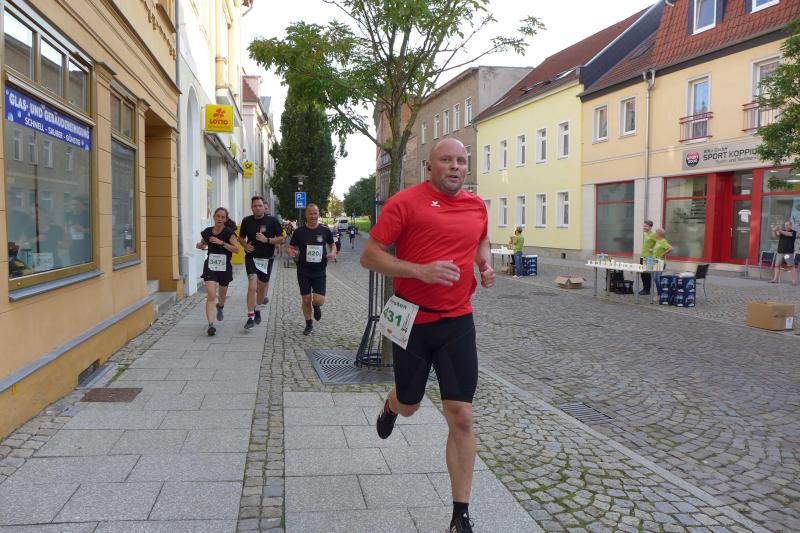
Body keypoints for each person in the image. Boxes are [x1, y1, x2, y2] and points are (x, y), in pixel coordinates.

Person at [361, 138, 494, 533]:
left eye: (462, 161)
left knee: (462, 416)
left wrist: (484, 265)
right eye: (447, 160)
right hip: (412, 320)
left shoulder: (477, 206)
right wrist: (419, 271)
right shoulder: (405, 202)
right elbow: (370, 255)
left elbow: (481, 240)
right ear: (429, 166)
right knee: (411, 404)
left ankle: (460, 515)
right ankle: (392, 405)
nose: (455, 167)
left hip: (457, 321)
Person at [288, 203, 336, 335]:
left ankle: (316, 306)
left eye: (315, 213)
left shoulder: (325, 231)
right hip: (303, 270)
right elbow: (291, 247)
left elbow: (332, 245)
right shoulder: (299, 232)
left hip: (319, 270)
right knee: (306, 299)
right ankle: (308, 324)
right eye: (310, 213)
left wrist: (333, 252)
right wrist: (291, 251)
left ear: (318, 214)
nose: (313, 216)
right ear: (306, 215)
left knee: (319, 300)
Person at [238, 196, 283, 330]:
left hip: (266, 259)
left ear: (264, 207)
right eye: (255, 206)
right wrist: (245, 245)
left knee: (262, 288)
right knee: (252, 286)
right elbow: (241, 237)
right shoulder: (246, 221)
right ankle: (250, 316)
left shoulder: (272, 221)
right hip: (251, 258)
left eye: (260, 205)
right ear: (251, 208)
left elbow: (281, 238)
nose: (257, 208)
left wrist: (267, 240)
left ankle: (257, 310)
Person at [197, 207, 239, 336]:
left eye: (222, 217)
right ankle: (211, 325)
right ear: (214, 217)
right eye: (218, 216)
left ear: (225, 219)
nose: (220, 219)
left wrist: (221, 243)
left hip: (224, 266)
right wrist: (201, 245)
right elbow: (203, 243)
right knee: (211, 295)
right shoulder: (207, 232)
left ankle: (220, 307)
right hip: (210, 265)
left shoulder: (229, 233)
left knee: (222, 295)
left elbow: (236, 249)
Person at [770, 221, 797, 286]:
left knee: (791, 266)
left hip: (788, 253)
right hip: (780, 252)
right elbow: (776, 235)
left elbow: (788, 234)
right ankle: (775, 279)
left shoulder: (793, 232)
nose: (786, 226)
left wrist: (779, 230)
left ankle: (793, 281)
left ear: (791, 225)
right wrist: (774, 230)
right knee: (777, 265)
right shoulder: (782, 231)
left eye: (787, 225)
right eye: (785, 225)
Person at [65, 196, 90, 265]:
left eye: (76, 204)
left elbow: (95, 231)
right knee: (73, 264)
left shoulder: (88, 215)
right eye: (72, 205)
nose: (74, 207)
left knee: (84, 265)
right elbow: (66, 227)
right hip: (73, 246)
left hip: (84, 246)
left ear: (82, 205)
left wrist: (83, 229)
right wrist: (67, 235)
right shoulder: (68, 215)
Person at [652, 228, 673, 295]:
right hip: (656, 262)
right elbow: (658, 249)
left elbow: (670, 248)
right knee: (657, 278)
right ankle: (661, 293)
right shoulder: (658, 241)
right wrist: (652, 250)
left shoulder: (663, 241)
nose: (655, 234)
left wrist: (663, 254)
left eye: (656, 233)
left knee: (656, 278)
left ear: (659, 234)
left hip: (661, 262)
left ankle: (660, 294)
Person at [639, 220, 655, 295]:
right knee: (642, 274)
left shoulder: (654, 235)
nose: (644, 227)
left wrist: (653, 249)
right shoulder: (645, 234)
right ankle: (644, 288)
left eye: (646, 226)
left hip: (649, 258)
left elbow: (659, 244)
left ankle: (647, 290)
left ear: (650, 227)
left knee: (647, 274)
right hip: (643, 256)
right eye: (644, 226)